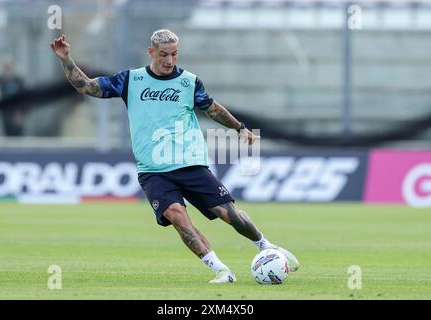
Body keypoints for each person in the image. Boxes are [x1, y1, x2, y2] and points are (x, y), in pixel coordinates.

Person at [50, 30, 299, 283]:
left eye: (174, 54)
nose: (170, 60)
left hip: (189, 163)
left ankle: (266, 246)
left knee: (227, 213)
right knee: (177, 216)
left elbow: (212, 108)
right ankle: (221, 270)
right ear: (151, 53)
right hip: (153, 170)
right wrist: (66, 58)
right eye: (163, 55)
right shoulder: (131, 80)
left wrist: (239, 128)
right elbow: (87, 86)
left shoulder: (188, 82)